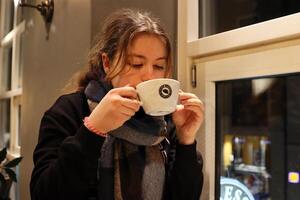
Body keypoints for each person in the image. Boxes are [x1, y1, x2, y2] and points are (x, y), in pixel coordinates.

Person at [30, 8, 204, 200]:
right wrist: (93, 129)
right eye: (136, 64)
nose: (149, 75)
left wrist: (186, 140)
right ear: (107, 63)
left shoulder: (166, 122)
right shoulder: (69, 111)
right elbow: (44, 194)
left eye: (159, 66)